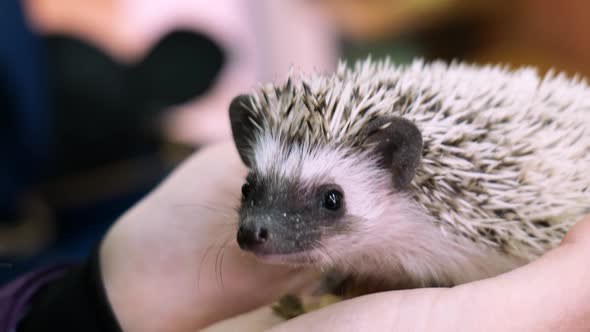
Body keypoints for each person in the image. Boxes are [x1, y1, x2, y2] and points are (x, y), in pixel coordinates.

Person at [2, 142, 589, 331]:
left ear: (396, 175)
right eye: (255, 191)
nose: (256, 227)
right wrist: (105, 296)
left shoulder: (456, 229)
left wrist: (81, 309)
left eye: (329, 201)